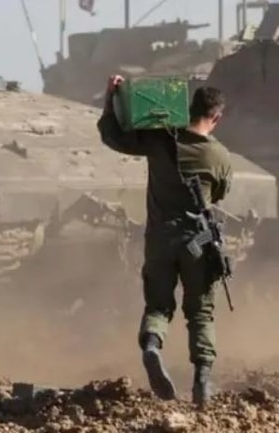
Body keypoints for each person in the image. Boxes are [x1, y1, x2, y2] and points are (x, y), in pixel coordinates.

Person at [98, 76, 232, 409]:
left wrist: (110, 98)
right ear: (216, 117)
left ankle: (152, 346)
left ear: (188, 109)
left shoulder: (161, 140)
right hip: (198, 243)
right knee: (200, 313)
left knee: (158, 306)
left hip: (159, 240)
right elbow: (219, 194)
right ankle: (202, 382)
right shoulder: (219, 155)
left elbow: (112, 136)